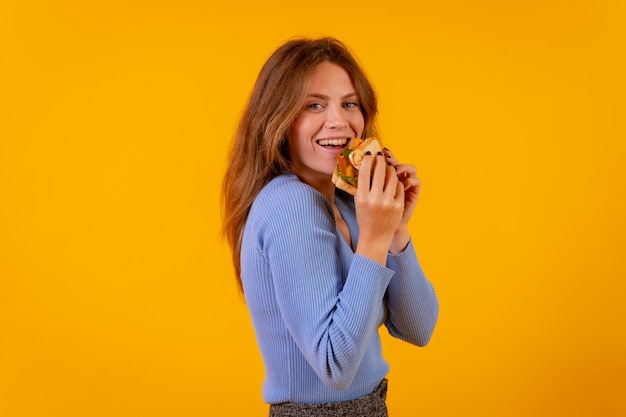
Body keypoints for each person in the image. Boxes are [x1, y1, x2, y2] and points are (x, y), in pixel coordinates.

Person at [221, 36, 439, 417]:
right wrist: (373, 237)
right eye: (314, 105)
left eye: (349, 103)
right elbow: (334, 365)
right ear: (278, 119)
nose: (339, 121)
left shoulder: (345, 201)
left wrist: (396, 230)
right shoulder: (291, 204)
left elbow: (418, 328)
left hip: (373, 407)